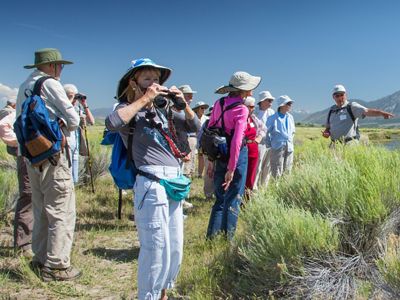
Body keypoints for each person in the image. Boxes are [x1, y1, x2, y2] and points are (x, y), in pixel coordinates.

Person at [105, 58, 199, 300]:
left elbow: (196, 127)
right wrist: (144, 99)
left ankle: (164, 293)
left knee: (174, 245)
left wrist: (183, 104)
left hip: (174, 183)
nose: (154, 84)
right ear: (133, 82)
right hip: (151, 182)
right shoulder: (127, 108)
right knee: (155, 247)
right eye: (147, 79)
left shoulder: (166, 110)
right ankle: (148, 296)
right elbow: (112, 123)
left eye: (157, 79)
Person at [16, 48, 81, 281]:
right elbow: (74, 119)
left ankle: (40, 257)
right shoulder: (51, 84)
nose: (61, 69)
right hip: (53, 156)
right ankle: (57, 266)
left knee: (40, 208)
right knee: (62, 211)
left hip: (32, 156)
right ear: (52, 66)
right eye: (60, 65)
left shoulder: (25, 86)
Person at [206, 71, 261, 240]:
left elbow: (210, 130)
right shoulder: (241, 109)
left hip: (218, 152)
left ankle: (211, 237)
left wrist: (210, 160)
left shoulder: (218, 103)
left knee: (219, 199)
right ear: (244, 90)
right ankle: (227, 239)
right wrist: (232, 168)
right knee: (233, 198)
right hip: (236, 156)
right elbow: (237, 141)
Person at [0, 99, 33, 257]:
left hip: (36, 158)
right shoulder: (20, 111)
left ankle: (31, 241)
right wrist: (18, 142)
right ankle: (23, 245)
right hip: (28, 156)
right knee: (28, 196)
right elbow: (3, 125)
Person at [322, 84, 394, 144]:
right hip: (334, 145)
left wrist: (381, 113)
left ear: (346, 95)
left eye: (342, 95)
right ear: (333, 97)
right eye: (337, 96)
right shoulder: (332, 110)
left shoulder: (351, 106)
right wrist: (326, 133)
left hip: (350, 144)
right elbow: (328, 128)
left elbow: (367, 111)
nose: (340, 97)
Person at [63, 84, 95, 183]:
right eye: (71, 96)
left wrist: (84, 105)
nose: (74, 99)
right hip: (65, 147)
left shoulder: (77, 109)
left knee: (75, 179)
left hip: (76, 146)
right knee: (67, 178)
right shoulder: (61, 108)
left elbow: (92, 121)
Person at [267, 95, 296, 178]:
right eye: (289, 103)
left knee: (288, 170)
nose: (290, 105)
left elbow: (293, 132)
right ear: (282, 105)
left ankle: (285, 189)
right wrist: (271, 145)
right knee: (276, 171)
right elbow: (266, 133)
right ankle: (276, 189)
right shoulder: (272, 118)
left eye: (290, 103)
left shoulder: (290, 117)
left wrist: (290, 141)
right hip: (277, 147)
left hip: (289, 147)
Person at [243, 96, 266, 192]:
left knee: (251, 174)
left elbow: (264, 128)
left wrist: (258, 138)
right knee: (242, 174)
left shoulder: (254, 118)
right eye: (249, 107)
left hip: (253, 150)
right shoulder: (240, 118)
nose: (252, 109)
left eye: (253, 107)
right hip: (243, 149)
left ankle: (247, 197)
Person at [254, 91, 275, 189]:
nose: (271, 102)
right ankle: (254, 189)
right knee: (257, 167)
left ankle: (263, 189)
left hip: (270, 144)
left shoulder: (272, 112)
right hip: (259, 144)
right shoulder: (254, 112)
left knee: (267, 167)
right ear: (262, 101)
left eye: (272, 100)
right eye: (269, 100)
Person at [192, 101, 209, 178]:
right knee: (192, 157)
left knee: (201, 157)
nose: (203, 109)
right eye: (202, 108)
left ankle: (200, 174)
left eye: (204, 108)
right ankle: (191, 172)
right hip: (193, 139)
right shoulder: (192, 117)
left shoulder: (206, 119)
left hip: (203, 141)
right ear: (197, 109)